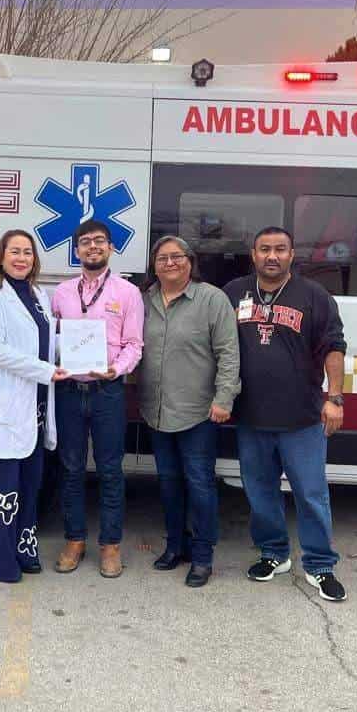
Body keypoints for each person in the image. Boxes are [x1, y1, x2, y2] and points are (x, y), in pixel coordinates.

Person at [224, 226, 349, 602]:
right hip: (251, 417)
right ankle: (274, 554)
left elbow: (334, 347)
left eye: (280, 249)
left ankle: (320, 564)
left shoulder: (314, 296)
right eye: (265, 249)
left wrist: (336, 398)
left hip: (303, 418)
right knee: (260, 493)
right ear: (254, 254)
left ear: (293, 255)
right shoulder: (233, 293)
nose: (272, 256)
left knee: (311, 494)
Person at [139, 236, 240, 588]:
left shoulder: (212, 299)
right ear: (154, 264)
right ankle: (175, 547)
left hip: (199, 411)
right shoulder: (145, 300)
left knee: (199, 484)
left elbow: (229, 354)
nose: (170, 263)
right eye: (162, 258)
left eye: (177, 257)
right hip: (157, 410)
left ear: (189, 261)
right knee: (168, 484)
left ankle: (202, 556)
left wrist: (224, 399)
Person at [0, 230, 69, 583]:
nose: (22, 258)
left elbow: (48, 341)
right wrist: (46, 371)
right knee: (3, 492)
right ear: (1, 257)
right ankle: (0, 561)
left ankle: (26, 549)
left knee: (30, 487)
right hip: (5, 406)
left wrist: (80, 354)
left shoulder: (39, 294)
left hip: (37, 408)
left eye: (27, 252)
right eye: (15, 252)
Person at [50, 220, 143, 577]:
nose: (93, 247)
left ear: (110, 248)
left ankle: (110, 545)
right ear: (76, 250)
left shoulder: (127, 292)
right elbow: (54, 341)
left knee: (109, 470)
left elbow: (134, 344)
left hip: (108, 392)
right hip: (70, 391)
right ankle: (74, 540)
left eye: (99, 241)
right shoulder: (62, 292)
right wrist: (56, 363)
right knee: (71, 468)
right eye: (85, 242)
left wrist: (116, 369)